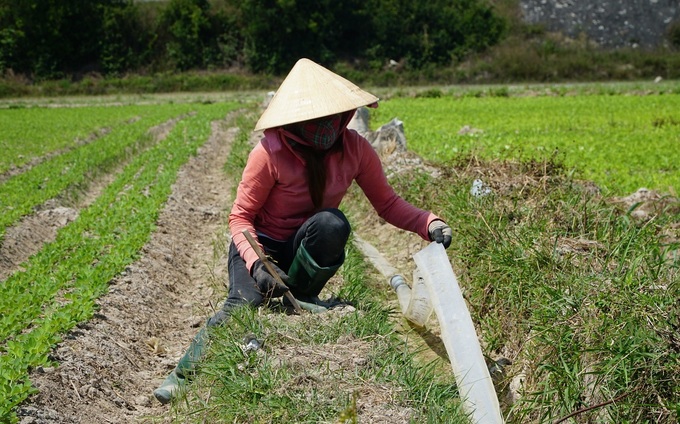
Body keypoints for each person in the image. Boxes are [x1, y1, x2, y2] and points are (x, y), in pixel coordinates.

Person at [153, 58, 452, 404]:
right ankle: (182, 375)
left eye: (331, 119)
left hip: (303, 245)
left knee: (332, 223)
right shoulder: (269, 153)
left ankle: (302, 295)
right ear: (294, 121)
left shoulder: (355, 150)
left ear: (343, 116)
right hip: (260, 244)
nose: (324, 128)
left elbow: (387, 203)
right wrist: (257, 264)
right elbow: (240, 219)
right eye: (314, 121)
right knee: (242, 304)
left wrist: (428, 222)